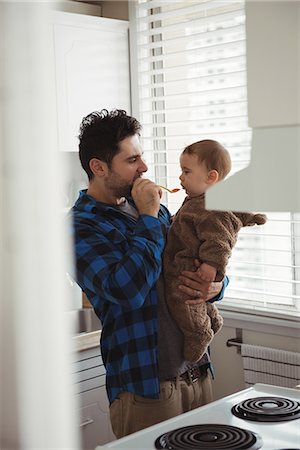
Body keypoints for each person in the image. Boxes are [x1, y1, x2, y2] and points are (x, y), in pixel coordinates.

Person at [71, 109, 228, 439]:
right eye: (132, 160)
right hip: (147, 388)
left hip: (198, 372)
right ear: (98, 168)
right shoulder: (79, 227)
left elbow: (193, 257)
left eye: (141, 157)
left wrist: (216, 285)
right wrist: (149, 217)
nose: (144, 168)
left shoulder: (153, 208)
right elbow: (128, 291)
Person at [163, 139, 267, 364]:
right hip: (188, 265)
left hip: (189, 268)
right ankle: (212, 318)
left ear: (211, 177)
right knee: (197, 302)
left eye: (186, 171)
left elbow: (220, 240)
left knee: (182, 301)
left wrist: (212, 266)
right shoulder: (198, 201)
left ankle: (198, 333)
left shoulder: (210, 206)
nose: (181, 177)